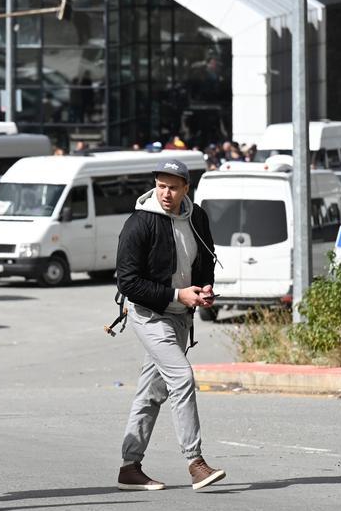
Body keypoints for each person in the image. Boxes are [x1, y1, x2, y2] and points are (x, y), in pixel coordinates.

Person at [115, 158, 225, 492]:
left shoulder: (197, 217)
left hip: (180, 315)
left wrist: (204, 289)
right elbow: (128, 283)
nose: (165, 193)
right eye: (161, 186)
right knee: (181, 377)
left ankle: (129, 467)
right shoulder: (140, 223)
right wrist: (179, 293)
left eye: (173, 187)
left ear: (185, 189)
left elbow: (205, 259)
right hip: (149, 315)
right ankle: (195, 463)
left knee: (152, 391)